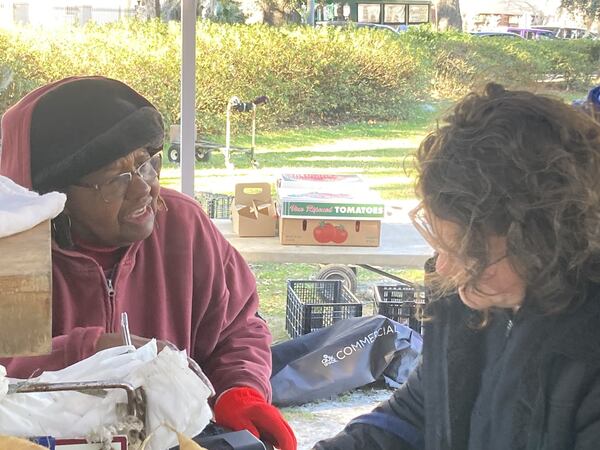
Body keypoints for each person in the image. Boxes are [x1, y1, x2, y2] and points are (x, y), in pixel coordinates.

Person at [0, 76, 296, 450]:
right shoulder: (13, 249)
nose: (144, 188)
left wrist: (240, 391)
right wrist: (96, 351)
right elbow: (7, 371)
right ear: (55, 198)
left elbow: (237, 327)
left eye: (146, 164)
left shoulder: (182, 225)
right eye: (115, 180)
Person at [313, 83, 600, 450]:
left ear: (543, 243)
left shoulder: (586, 352)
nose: (446, 268)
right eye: (442, 245)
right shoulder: (469, 303)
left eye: (471, 253)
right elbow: (420, 411)